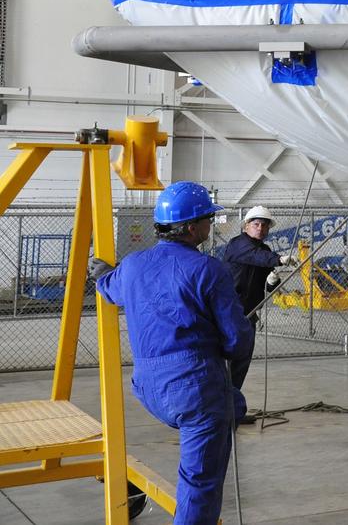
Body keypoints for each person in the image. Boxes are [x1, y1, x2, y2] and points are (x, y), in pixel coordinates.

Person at [90, 181, 253, 525]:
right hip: (192, 390)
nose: (211, 226)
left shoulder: (133, 266)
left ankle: (229, 406)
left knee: (229, 405)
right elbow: (238, 341)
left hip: (148, 388)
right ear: (192, 228)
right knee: (199, 482)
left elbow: (109, 287)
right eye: (208, 220)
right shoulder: (209, 270)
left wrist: (103, 272)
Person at [221, 205, 295, 401]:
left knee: (242, 361)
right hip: (229, 314)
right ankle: (220, 407)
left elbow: (269, 285)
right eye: (256, 224)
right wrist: (279, 259)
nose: (260, 229)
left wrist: (273, 280)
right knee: (226, 362)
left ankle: (232, 406)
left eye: (264, 225)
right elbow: (255, 257)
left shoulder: (265, 251)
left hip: (249, 314)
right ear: (246, 225)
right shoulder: (238, 244)